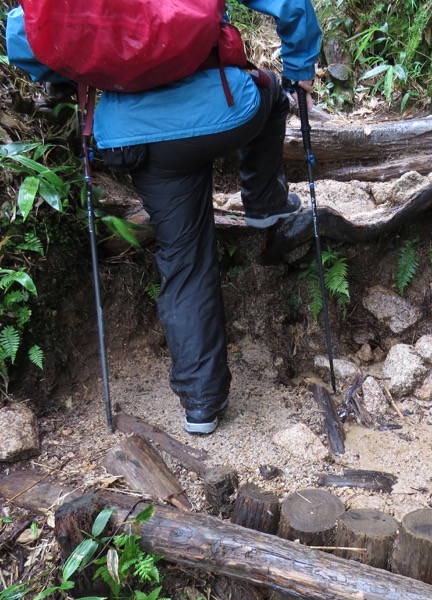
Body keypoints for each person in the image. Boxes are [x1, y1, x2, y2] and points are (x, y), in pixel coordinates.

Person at [6, 1, 322, 435]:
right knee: (268, 90)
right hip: (223, 114)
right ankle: (264, 204)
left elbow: (22, 39)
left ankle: (202, 407)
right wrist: (300, 64)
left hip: (133, 136)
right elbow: (288, 4)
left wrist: (89, 69)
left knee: (185, 259)